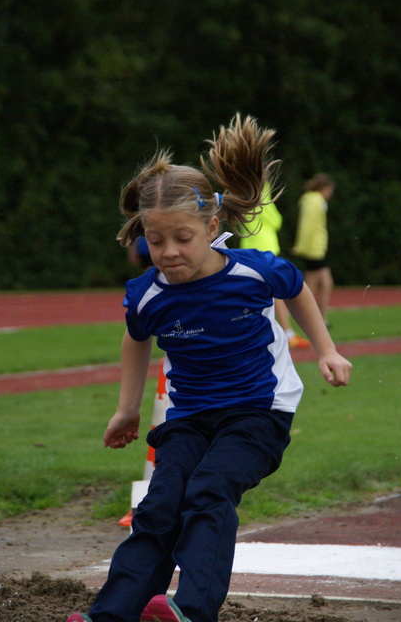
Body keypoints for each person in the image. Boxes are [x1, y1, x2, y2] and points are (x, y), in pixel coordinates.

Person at [66, 115, 352, 622]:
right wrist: (127, 409)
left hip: (258, 411)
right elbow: (136, 340)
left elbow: (297, 290)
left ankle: (192, 610)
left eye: (182, 238)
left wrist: (325, 350)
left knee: (208, 492)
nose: (170, 253)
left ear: (212, 228)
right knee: (157, 509)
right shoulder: (147, 294)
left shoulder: (252, 271)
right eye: (156, 242)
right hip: (190, 415)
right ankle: (110, 614)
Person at [240, 184, 311, 348]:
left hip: (250, 245)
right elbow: (276, 220)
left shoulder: (243, 191)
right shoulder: (260, 192)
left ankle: (263, 333)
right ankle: (287, 333)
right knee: (275, 291)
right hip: (264, 246)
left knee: (255, 291)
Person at [292, 173, 335, 327]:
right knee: (312, 286)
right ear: (324, 188)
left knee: (323, 283)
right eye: (330, 190)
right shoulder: (315, 201)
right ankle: (310, 318)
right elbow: (307, 225)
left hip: (316, 248)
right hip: (313, 249)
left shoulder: (314, 200)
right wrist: (301, 246)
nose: (330, 194)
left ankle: (320, 319)